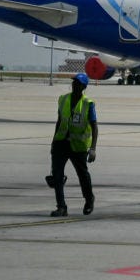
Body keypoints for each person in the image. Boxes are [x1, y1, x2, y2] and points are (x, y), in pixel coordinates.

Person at [49, 73, 98, 216]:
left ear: (84, 86)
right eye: (74, 82)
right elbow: (59, 121)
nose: (74, 85)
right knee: (57, 175)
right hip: (61, 143)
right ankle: (61, 207)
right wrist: (53, 142)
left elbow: (94, 126)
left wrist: (93, 148)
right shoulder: (63, 99)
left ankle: (89, 199)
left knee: (82, 175)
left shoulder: (88, 104)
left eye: (78, 83)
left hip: (78, 145)